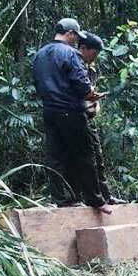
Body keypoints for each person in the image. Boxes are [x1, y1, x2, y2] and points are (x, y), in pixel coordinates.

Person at [32, 18, 112, 213]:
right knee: (84, 154)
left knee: (56, 157)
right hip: (70, 110)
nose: (76, 41)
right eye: (76, 36)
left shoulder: (39, 54)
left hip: (49, 111)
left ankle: (63, 200)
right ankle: (95, 200)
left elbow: (38, 83)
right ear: (69, 33)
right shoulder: (70, 53)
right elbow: (81, 84)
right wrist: (92, 94)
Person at [77, 32, 127, 205]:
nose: (95, 57)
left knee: (97, 157)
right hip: (74, 117)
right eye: (94, 53)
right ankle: (82, 198)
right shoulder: (73, 65)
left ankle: (105, 196)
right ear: (83, 48)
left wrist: (95, 102)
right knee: (82, 159)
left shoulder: (91, 70)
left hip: (88, 117)